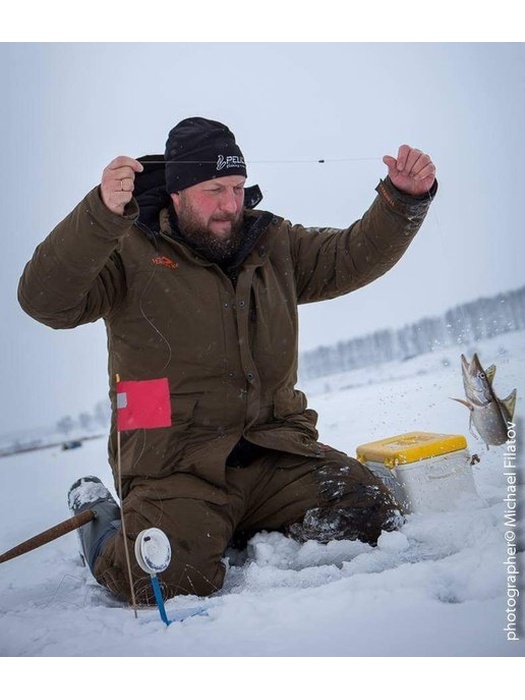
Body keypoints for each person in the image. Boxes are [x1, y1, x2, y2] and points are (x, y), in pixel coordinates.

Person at [18, 117, 437, 605]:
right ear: (176, 194)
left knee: (368, 515)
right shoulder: (126, 250)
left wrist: (402, 200)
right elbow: (45, 301)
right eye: (213, 189)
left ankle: (224, 524)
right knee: (166, 581)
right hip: (175, 462)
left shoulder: (272, 242)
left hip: (275, 450)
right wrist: (100, 214)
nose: (230, 204)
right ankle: (103, 520)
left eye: (236, 187)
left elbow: (350, 255)